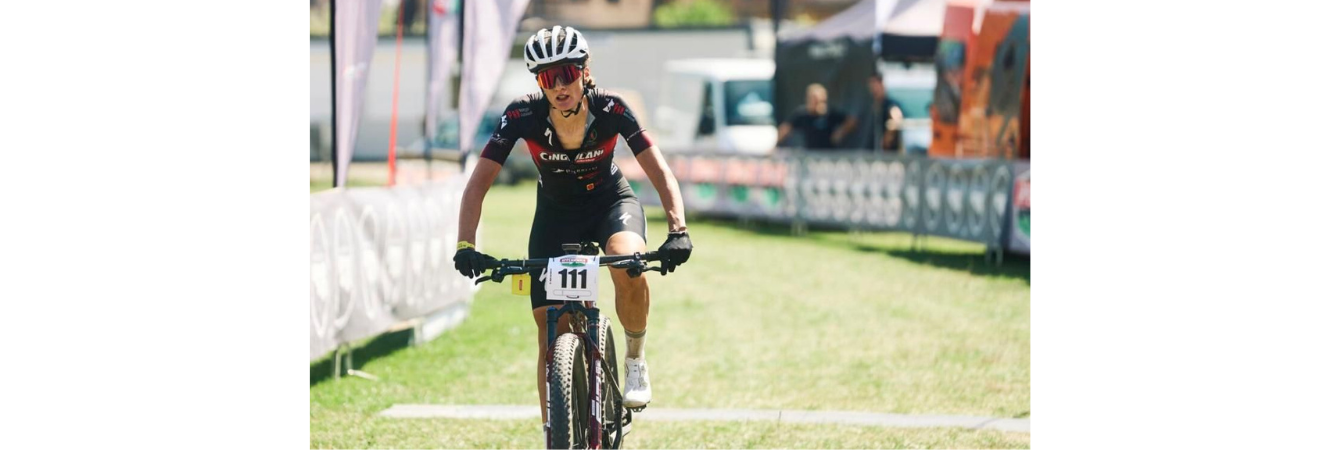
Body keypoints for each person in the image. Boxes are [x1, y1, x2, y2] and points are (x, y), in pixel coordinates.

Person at [452, 25, 693, 441]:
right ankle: (556, 435)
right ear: (539, 82)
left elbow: (659, 170)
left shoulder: (612, 109)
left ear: (584, 70)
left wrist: (677, 229)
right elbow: (478, 184)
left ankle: (635, 357)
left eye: (567, 72)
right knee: (551, 333)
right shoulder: (520, 115)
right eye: (548, 77)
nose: (560, 85)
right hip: (556, 215)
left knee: (628, 261)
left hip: (610, 205)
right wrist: (465, 245)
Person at [776, 83, 858, 150]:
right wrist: (775, 145)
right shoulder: (802, 114)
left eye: (821, 101)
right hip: (810, 153)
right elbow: (785, 129)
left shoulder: (830, 113)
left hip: (828, 154)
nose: (817, 104)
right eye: (814, 100)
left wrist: (840, 132)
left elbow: (851, 121)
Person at [869, 73, 904, 153]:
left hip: (891, 152)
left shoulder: (890, 103)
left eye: (875, 86)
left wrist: (888, 135)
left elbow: (896, 116)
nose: (873, 89)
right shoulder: (875, 105)